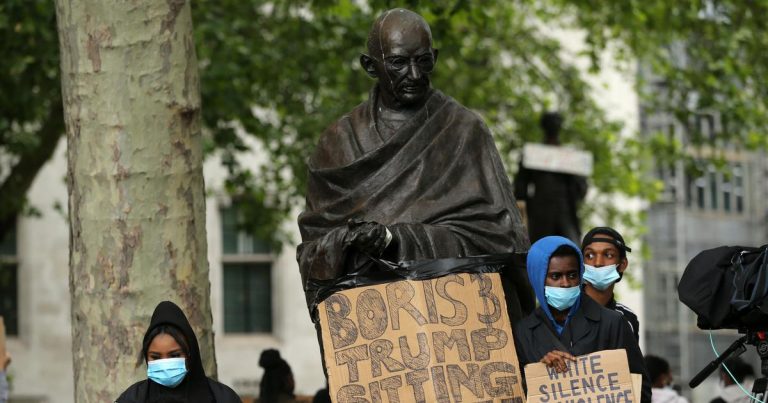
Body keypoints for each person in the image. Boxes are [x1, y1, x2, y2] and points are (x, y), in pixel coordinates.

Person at [297, 8, 529, 300]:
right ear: (370, 66)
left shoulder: (464, 130)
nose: (415, 74)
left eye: (423, 61)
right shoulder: (338, 143)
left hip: (456, 308)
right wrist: (352, 240)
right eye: (398, 63)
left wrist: (398, 239)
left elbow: (503, 239)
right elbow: (313, 248)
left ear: (435, 57)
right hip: (372, 312)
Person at [513, 236, 651, 403]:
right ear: (537, 278)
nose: (565, 283)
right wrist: (541, 371)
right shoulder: (524, 331)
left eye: (572, 275)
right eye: (555, 276)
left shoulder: (612, 323)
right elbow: (516, 391)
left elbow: (640, 390)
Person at [116, 301, 241, 403]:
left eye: (174, 355)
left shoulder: (222, 398)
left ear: (190, 354)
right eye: (156, 357)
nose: (165, 364)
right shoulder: (131, 399)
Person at [513, 111, 588, 244]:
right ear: (544, 126)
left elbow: (581, 188)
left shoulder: (570, 156)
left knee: (571, 250)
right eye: (550, 123)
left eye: (556, 123)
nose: (553, 126)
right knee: (540, 250)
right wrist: (529, 208)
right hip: (540, 215)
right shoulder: (532, 154)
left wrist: (571, 173)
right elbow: (520, 186)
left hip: (566, 214)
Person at [581, 226, 640, 340]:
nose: (598, 262)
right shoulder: (566, 312)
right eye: (590, 255)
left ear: (622, 265)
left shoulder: (627, 318)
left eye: (608, 255)